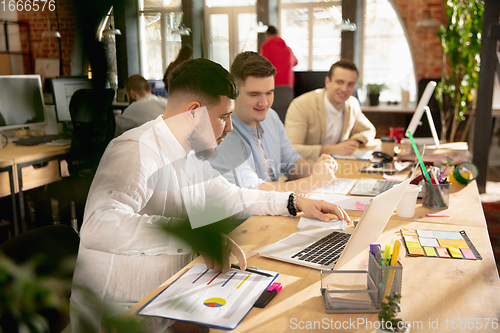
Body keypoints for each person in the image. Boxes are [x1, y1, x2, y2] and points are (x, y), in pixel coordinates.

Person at [70, 58, 350, 332]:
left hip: (170, 299)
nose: (229, 127)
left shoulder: (190, 151)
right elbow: (99, 225)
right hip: (123, 315)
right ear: (194, 113)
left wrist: (294, 201)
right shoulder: (136, 150)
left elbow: (231, 196)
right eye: (224, 117)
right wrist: (192, 234)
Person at [210, 51, 337, 194]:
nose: (264, 103)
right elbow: (254, 192)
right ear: (234, 92)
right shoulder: (223, 132)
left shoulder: (271, 117)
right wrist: (314, 181)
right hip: (249, 214)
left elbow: (291, 162)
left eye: (269, 93)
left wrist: (319, 169)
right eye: (254, 94)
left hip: (276, 210)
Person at [285, 59, 376, 161]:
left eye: (350, 84)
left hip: (338, 166)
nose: (345, 89)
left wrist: (355, 141)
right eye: (340, 82)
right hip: (306, 167)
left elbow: (369, 130)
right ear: (327, 82)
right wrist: (333, 149)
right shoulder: (301, 105)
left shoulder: (352, 104)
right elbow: (291, 149)